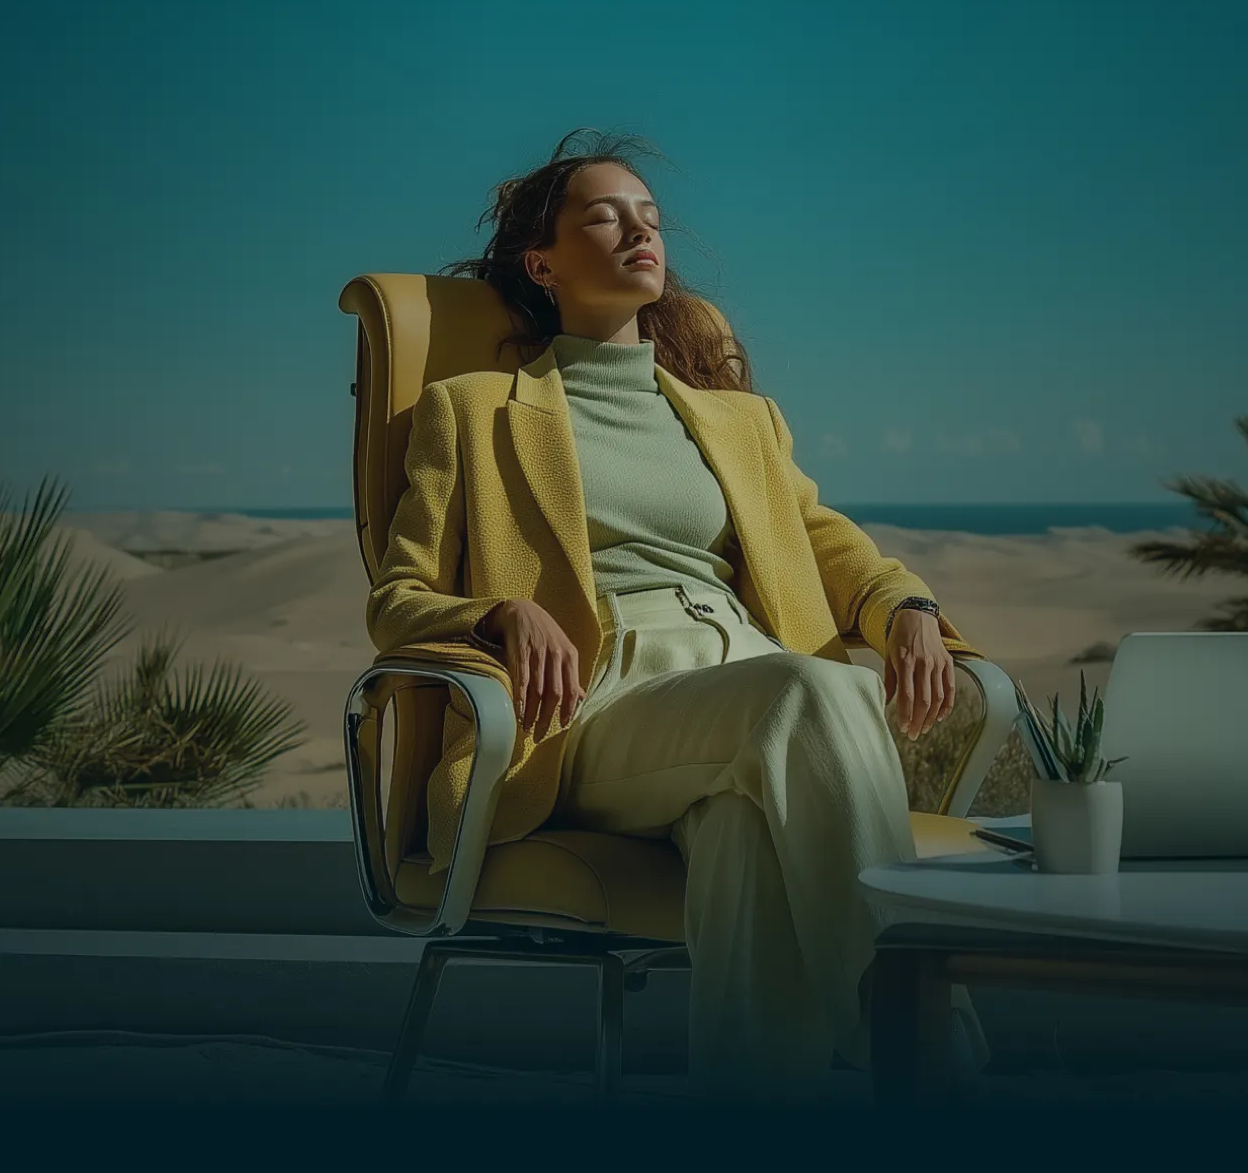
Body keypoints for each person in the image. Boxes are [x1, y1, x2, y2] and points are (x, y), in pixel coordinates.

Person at [365, 129, 993, 1099]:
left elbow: (827, 538)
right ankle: (936, 1066)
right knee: (813, 696)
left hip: (745, 681)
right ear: (543, 262)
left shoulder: (742, 419)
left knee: (747, 829)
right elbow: (397, 597)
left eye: (649, 216)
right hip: (593, 703)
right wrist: (499, 613)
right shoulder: (474, 409)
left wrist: (906, 603)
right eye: (605, 215)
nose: (639, 229)